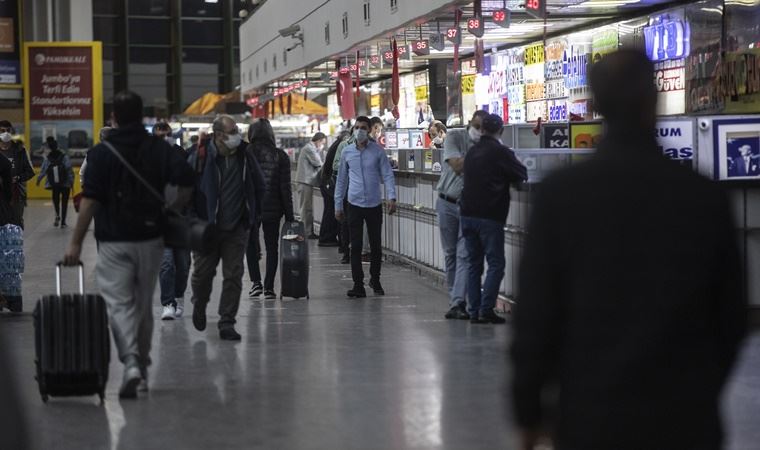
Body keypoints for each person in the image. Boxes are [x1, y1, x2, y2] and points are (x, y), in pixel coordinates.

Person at [511, 50, 748, 450]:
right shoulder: (702, 196)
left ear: (597, 106)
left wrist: (529, 413)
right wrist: (701, 387)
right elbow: (731, 313)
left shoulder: (560, 196)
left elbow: (536, 315)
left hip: (592, 415)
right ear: (652, 100)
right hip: (685, 416)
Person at [62, 91, 195, 398]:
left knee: (120, 304)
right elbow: (188, 179)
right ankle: (142, 370)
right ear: (141, 117)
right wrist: (171, 208)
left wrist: (75, 243)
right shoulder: (159, 148)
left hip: (113, 241)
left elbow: (91, 201)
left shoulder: (101, 153)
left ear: (114, 118)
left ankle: (132, 361)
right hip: (150, 240)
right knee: (144, 305)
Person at [188, 115, 265, 340]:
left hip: (236, 228)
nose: (237, 135)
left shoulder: (244, 155)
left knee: (234, 275)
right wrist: (192, 219)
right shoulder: (200, 156)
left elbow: (259, 185)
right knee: (202, 274)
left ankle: (227, 322)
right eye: (233, 131)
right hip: (206, 229)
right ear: (219, 135)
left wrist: (252, 216)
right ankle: (199, 303)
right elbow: (185, 190)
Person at [459, 114, 526, 324]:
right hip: (490, 215)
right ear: (501, 131)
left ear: (482, 129)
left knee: (474, 264)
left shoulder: (471, 152)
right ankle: (486, 310)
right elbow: (520, 173)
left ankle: (473, 310)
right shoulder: (501, 152)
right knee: (496, 263)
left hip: (467, 214)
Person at [334, 116, 397, 298]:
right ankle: (358, 284)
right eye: (357, 127)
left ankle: (375, 280)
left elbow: (387, 174)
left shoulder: (377, 152)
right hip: (353, 204)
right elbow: (341, 181)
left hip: (374, 204)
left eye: (363, 127)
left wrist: (391, 196)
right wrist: (338, 205)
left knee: (376, 246)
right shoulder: (347, 152)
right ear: (353, 129)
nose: (359, 130)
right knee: (355, 246)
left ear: (369, 131)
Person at [437, 110, 488, 320]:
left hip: (469, 206)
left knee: (464, 254)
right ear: (470, 123)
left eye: (484, 128)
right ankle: (454, 299)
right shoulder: (455, 137)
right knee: (450, 254)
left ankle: (458, 301)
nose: (480, 131)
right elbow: (457, 165)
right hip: (446, 202)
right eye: (477, 126)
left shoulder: (487, 145)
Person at [246, 118, 295, 299]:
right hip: (273, 209)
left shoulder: (246, 153)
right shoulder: (280, 155)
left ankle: (256, 283)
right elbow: (285, 188)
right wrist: (290, 216)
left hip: (251, 208)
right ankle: (269, 288)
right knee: (272, 248)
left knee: (250, 245)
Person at [151, 122, 192, 320]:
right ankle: (167, 303)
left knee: (182, 265)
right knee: (166, 263)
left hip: (182, 218)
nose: (163, 139)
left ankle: (179, 296)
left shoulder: (181, 155)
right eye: (159, 136)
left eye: (166, 135)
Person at [0, 120, 34, 229]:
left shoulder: (20, 150)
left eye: (8, 130)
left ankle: (16, 245)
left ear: (12, 131)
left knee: (16, 222)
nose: (5, 133)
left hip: (16, 194)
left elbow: (30, 171)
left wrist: (18, 178)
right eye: (2, 130)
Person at [318, 131, 349, 247]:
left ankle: (327, 237)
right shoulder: (341, 146)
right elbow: (336, 166)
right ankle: (326, 238)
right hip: (329, 183)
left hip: (326, 182)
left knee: (329, 211)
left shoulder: (336, 144)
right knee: (331, 211)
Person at [36, 137, 75, 228]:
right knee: (64, 202)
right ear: (57, 146)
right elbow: (69, 170)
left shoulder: (48, 158)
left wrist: (39, 180)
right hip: (65, 184)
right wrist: (71, 182)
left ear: (49, 147)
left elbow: (43, 170)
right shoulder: (64, 156)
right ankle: (63, 223)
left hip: (54, 184)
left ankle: (57, 215)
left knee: (56, 201)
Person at [295, 132, 326, 239]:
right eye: (322, 143)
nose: (322, 145)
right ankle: (306, 232)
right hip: (305, 182)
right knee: (305, 208)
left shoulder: (310, 148)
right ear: (318, 140)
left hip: (306, 182)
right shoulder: (309, 148)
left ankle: (307, 231)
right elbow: (318, 163)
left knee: (306, 208)